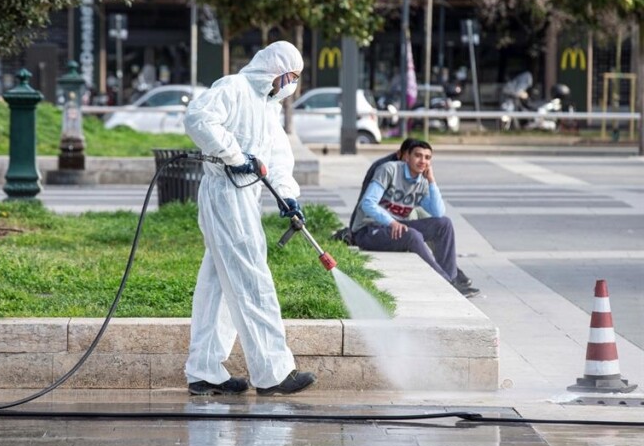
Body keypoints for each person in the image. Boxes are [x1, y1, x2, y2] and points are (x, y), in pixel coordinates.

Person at [182, 41, 317, 396]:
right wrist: (233, 154)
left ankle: (204, 369)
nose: (290, 85)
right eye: (291, 77)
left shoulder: (267, 108)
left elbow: (277, 158)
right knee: (252, 279)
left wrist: (289, 197)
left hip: (245, 197)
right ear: (276, 70)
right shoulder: (233, 88)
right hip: (224, 195)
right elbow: (198, 119)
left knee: (219, 285)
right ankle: (273, 373)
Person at [350, 139, 480, 298]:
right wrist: (391, 222)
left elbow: (438, 212)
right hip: (369, 230)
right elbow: (368, 203)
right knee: (412, 235)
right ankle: (446, 283)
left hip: (397, 228)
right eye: (418, 156)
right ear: (407, 157)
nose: (422, 161)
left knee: (444, 224)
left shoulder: (423, 181)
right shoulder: (389, 170)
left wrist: (432, 181)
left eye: (427, 157)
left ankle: (451, 279)